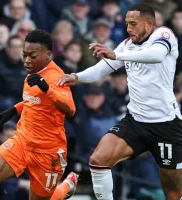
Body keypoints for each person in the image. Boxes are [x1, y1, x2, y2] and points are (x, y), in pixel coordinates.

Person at [58, 3, 182, 200]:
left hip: (165, 124)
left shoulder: (164, 36)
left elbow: (156, 56)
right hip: (135, 122)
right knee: (98, 160)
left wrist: (117, 55)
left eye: (133, 23)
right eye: (126, 23)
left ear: (149, 23)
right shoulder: (127, 45)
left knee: (173, 194)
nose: (128, 28)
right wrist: (77, 76)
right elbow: (101, 69)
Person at [0, 29, 79, 200]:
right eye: (24, 54)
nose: (27, 60)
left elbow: (70, 109)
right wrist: (14, 109)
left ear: (47, 55)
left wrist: (47, 89)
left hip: (47, 150)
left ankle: (65, 187)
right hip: (23, 140)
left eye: (32, 56)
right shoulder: (32, 71)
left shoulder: (56, 77)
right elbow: (35, 101)